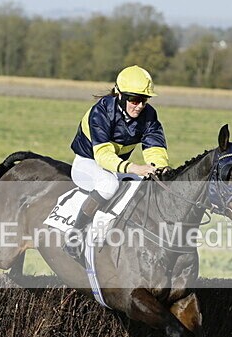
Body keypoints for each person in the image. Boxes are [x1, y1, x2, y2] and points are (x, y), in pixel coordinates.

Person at [64, 65, 170, 260]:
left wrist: (159, 167)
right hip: (88, 163)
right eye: (134, 99)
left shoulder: (149, 115)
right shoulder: (101, 112)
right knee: (108, 184)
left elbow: (155, 146)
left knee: (142, 186)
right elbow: (103, 156)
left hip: (115, 166)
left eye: (144, 100)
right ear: (119, 95)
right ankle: (75, 234)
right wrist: (134, 168)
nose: (139, 106)